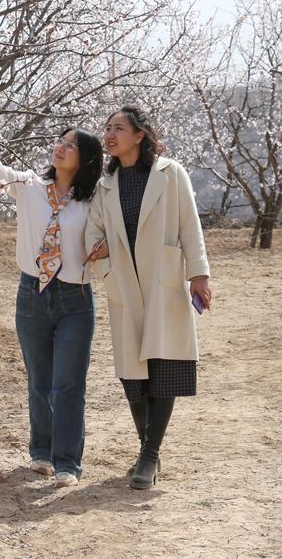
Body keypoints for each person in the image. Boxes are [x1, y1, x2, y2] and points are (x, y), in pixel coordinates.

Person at [0, 99, 104, 487]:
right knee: (40, 380)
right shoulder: (29, 186)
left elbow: (111, 234)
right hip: (32, 294)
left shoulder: (94, 201)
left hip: (75, 297)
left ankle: (67, 462)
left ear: (86, 159)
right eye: (61, 141)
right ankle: (41, 452)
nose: (61, 147)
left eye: (72, 145)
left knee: (69, 384)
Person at [85, 105, 213, 490]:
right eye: (107, 128)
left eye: (118, 128)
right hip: (125, 284)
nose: (109, 135)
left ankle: (149, 455)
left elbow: (190, 225)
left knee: (164, 368)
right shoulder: (105, 185)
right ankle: (148, 450)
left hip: (163, 281)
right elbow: (92, 235)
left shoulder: (170, 174)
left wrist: (199, 274)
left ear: (139, 135)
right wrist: (104, 261)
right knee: (133, 375)